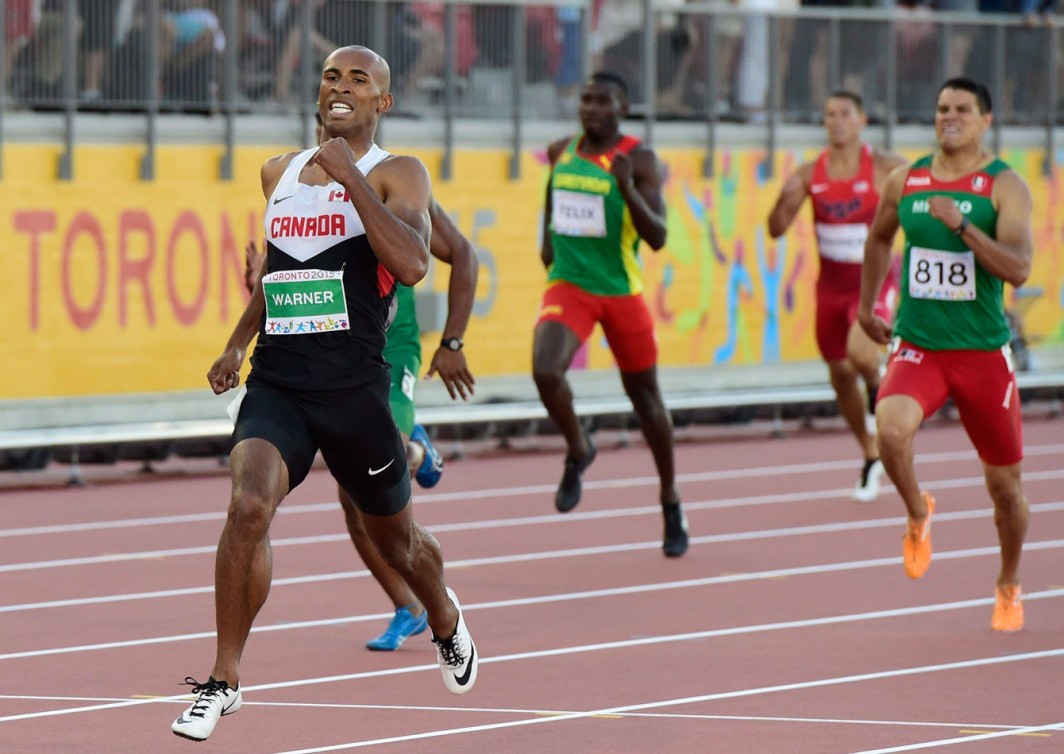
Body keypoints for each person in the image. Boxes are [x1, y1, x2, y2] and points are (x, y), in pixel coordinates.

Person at [171, 45, 478, 743]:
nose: (341, 86)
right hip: (279, 382)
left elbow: (411, 264)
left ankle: (446, 619)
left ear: (382, 102)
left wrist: (349, 180)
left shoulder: (397, 173)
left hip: (353, 392)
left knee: (398, 545)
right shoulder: (277, 171)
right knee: (248, 505)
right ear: (317, 94)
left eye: (359, 79)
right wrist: (237, 340)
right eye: (332, 76)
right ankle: (223, 680)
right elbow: (282, 272)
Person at [244, 193, 479, 652]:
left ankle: (414, 448)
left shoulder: (396, 187)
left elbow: (464, 254)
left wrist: (452, 341)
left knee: (365, 479)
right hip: (336, 357)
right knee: (352, 496)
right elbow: (298, 296)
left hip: (390, 349)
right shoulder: (299, 194)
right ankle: (408, 606)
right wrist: (261, 287)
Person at [859, 77, 1033, 633]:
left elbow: (1018, 269)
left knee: (1005, 490)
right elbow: (879, 239)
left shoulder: (1004, 187)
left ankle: (1008, 581)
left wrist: (961, 226)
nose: (948, 117)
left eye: (962, 109)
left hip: (982, 354)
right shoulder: (905, 180)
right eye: (940, 108)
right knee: (890, 432)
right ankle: (917, 511)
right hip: (920, 346)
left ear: (986, 120)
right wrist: (867, 307)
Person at [534, 71, 689, 558]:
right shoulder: (562, 149)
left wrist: (627, 188)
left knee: (647, 403)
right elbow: (552, 200)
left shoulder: (638, 160)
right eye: (586, 99)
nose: (592, 108)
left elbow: (659, 236)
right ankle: (580, 446)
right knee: (545, 370)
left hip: (621, 291)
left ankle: (669, 498)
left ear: (623, 107)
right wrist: (547, 246)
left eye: (604, 101)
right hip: (572, 285)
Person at [767, 91, 907, 503]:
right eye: (829, 114)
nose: (836, 121)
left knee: (861, 356)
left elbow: (925, 206)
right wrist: (786, 200)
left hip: (874, 283)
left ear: (862, 120)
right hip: (830, 289)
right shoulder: (811, 173)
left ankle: (879, 388)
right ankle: (869, 451)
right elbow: (775, 228)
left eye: (845, 114)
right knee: (839, 375)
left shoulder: (887, 167)